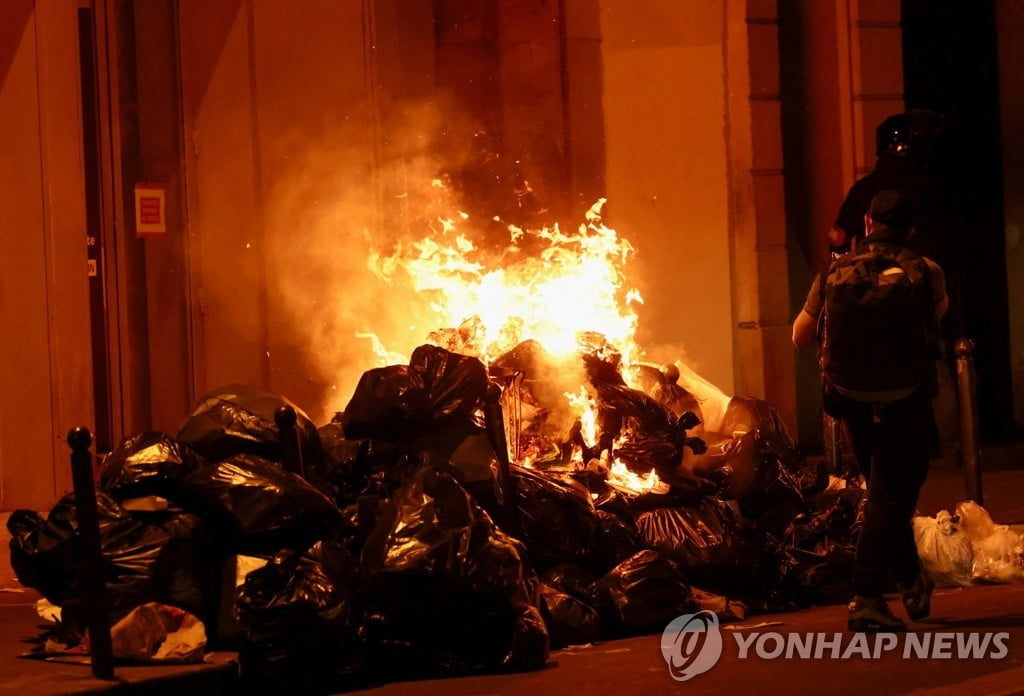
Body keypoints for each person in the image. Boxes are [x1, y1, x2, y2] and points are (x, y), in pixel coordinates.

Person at [793, 190, 948, 632]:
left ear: (866, 223)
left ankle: (909, 579)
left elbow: (799, 337)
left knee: (884, 493)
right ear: (911, 230)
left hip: (851, 401)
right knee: (891, 495)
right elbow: (937, 319)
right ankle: (865, 596)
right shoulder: (928, 272)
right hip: (907, 398)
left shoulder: (834, 271)